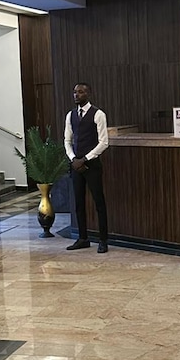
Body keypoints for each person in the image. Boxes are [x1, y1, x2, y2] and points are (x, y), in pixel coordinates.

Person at [64, 82, 109, 253]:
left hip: (92, 165)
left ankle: (103, 240)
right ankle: (83, 238)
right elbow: (67, 140)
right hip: (76, 165)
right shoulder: (70, 115)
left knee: (99, 202)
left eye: (81, 92)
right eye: (75, 92)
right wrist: (73, 159)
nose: (77, 95)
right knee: (78, 202)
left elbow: (104, 142)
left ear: (88, 94)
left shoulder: (98, 114)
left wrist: (85, 159)